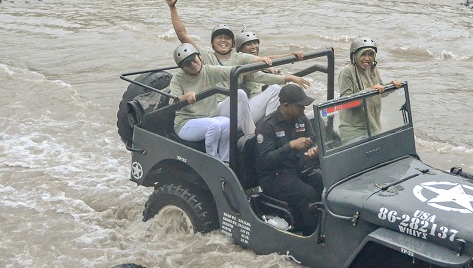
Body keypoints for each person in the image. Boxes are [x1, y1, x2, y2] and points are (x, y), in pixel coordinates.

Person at [163, 0, 309, 123]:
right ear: (212, 43)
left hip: (240, 107)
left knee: (275, 89)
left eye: (227, 38)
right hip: (217, 108)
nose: (223, 41)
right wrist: (172, 8)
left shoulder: (239, 57)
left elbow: (262, 59)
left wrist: (289, 56)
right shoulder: (203, 58)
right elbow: (182, 35)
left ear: (233, 43)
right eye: (219, 37)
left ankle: (269, 126)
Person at [255, 84, 323, 233]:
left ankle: (325, 225)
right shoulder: (267, 126)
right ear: (286, 106)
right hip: (274, 177)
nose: (304, 110)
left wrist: (315, 148)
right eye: (300, 106)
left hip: (298, 169)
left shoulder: (301, 119)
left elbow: (314, 138)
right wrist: (290, 146)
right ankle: (311, 233)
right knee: (308, 194)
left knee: (323, 183)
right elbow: (266, 160)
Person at [169, 43, 252, 162]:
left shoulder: (208, 70)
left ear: (200, 57)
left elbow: (231, 71)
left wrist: (261, 65)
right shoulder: (178, 79)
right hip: (186, 123)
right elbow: (172, 103)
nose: (193, 64)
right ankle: (213, 161)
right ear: (183, 68)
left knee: (228, 123)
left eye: (194, 60)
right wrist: (184, 97)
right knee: (214, 126)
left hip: (209, 117)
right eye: (188, 63)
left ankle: (225, 161)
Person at [337, 37, 401, 142]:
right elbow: (345, 102)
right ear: (355, 55)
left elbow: (381, 92)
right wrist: (370, 90)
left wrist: (391, 86)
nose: (367, 59)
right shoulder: (347, 71)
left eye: (370, 55)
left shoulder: (372, 69)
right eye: (363, 54)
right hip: (354, 132)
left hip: (373, 127)